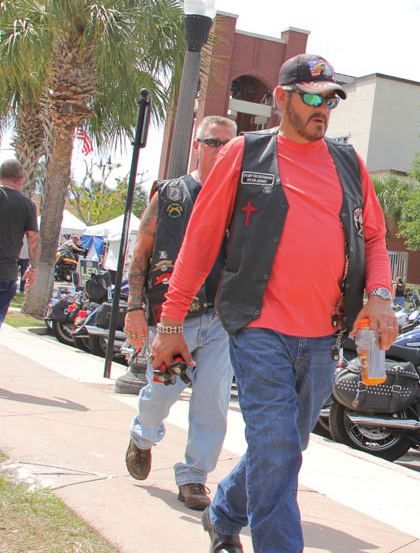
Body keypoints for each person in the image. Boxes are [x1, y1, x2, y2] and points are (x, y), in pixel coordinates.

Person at [152, 53, 396, 552]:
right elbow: (198, 241)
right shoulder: (243, 154)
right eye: (311, 97)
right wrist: (170, 320)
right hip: (258, 326)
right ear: (281, 99)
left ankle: (223, 514)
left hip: (323, 333)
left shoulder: (349, 163)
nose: (322, 108)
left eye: (330, 99)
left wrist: (381, 297)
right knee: (280, 448)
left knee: (283, 447)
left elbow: (374, 238)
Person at [123, 116, 238, 511]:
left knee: (212, 401)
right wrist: (135, 307)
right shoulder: (170, 194)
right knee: (163, 390)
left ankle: (194, 476)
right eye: (212, 143)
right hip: (177, 318)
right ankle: (142, 436)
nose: (220, 151)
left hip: (223, 319)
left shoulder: (242, 200)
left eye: (228, 144)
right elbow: (141, 251)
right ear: (195, 145)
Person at [0, 160, 39, 324]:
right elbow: (33, 239)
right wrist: (33, 268)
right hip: (5, 273)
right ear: (21, 180)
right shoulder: (27, 204)